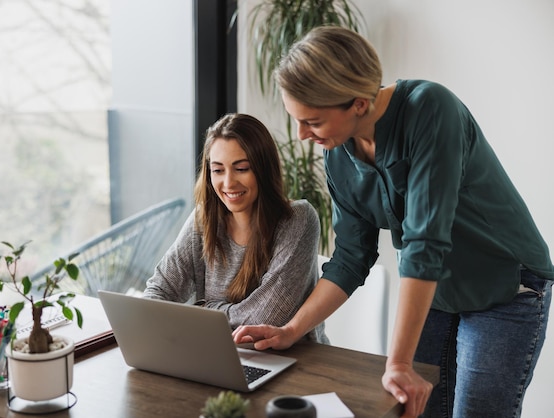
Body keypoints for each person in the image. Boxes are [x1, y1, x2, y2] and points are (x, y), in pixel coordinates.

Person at [232, 26, 554, 418]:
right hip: (437, 293)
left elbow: (424, 243)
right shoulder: (338, 154)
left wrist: (398, 362)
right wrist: (291, 330)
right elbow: (351, 257)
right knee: (413, 409)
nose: (301, 135)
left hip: (504, 285)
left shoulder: (431, 110)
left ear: (359, 104)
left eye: (312, 122)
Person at [143, 113, 328, 343]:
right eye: (218, 170)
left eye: (241, 168)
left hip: (297, 362)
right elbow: (158, 292)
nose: (228, 183)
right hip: (219, 353)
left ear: (263, 169)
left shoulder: (297, 219)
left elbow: (266, 319)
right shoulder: (205, 218)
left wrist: (204, 307)